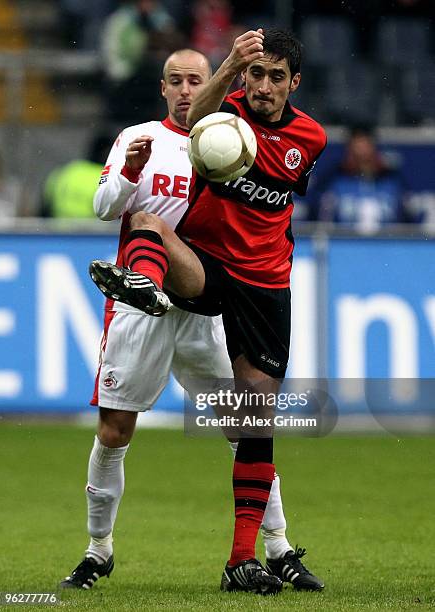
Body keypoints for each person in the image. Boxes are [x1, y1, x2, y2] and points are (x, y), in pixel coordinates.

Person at [60, 47, 312, 593]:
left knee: (243, 425)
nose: (185, 90)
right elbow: (106, 208)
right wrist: (128, 173)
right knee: (114, 430)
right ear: (162, 86)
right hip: (139, 307)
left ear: (216, 84)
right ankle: (98, 548)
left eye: (196, 80)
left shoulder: (227, 132)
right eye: (176, 80)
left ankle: (279, 546)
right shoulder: (137, 136)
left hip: (203, 302)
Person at [317, 126, 407, 233]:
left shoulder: (391, 179)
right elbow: (320, 219)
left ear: (373, 147)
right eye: (357, 146)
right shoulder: (333, 179)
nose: (361, 153)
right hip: (343, 244)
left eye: (366, 145)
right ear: (349, 149)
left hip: (389, 244)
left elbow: (406, 219)